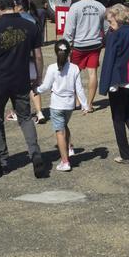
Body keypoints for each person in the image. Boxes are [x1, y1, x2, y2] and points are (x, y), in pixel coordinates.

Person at [0, 0, 45, 177]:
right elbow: (39, 56)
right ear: (15, 5)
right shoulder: (30, 26)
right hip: (21, 78)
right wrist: (38, 77)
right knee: (25, 118)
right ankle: (35, 154)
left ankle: (1, 160)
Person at [99, 4, 129, 164]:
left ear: (117, 18)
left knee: (118, 118)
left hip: (117, 81)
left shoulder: (115, 35)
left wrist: (104, 85)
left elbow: (109, 60)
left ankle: (125, 154)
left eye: (110, 20)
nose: (109, 24)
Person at [37, 40, 91, 172]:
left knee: (59, 132)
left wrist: (36, 90)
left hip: (56, 105)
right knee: (64, 126)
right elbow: (79, 89)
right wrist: (85, 105)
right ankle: (69, 148)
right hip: (69, 106)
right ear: (69, 52)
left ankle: (65, 161)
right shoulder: (74, 68)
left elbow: (46, 86)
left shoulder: (52, 68)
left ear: (56, 52)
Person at [63, 0, 106, 109]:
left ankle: (77, 101)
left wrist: (66, 44)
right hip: (95, 44)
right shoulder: (100, 6)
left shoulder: (75, 7)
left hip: (79, 45)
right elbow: (107, 27)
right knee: (92, 73)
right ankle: (90, 103)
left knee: (75, 74)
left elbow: (69, 29)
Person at [18, 0, 46, 124]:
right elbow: (38, 50)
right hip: (32, 57)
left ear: (19, 6)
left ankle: (22, 113)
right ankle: (39, 112)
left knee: (20, 88)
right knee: (34, 85)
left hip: (19, 58)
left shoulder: (17, 20)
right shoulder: (34, 20)